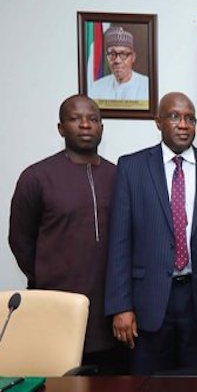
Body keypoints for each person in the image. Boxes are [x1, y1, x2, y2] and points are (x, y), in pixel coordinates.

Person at [105, 92, 197, 375]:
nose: (183, 124)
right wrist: (120, 305)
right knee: (149, 383)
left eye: (189, 118)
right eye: (175, 116)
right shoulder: (131, 167)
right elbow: (119, 241)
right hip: (147, 301)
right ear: (158, 121)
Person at [8, 95, 126, 373]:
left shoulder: (119, 175)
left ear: (102, 127)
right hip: (56, 306)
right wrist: (46, 273)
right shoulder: (36, 177)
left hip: (110, 311)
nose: (85, 125)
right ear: (61, 128)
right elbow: (20, 240)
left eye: (93, 119)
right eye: (75, 119)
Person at [89, 26, 149, 102]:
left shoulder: (147, 86)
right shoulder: (97, 87)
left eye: (123, 54)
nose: (117, 60)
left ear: (133, 57)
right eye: (112, 54)